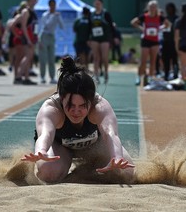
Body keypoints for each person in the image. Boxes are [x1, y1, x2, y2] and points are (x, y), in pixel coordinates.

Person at [21, 56, 135, 184]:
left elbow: (111, 134)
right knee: (48, 173)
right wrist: (41, 150)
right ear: (61, 98)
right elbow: (45, 134)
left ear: (91, 101)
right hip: (60, 147)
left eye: (82, 106)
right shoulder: (51, 109)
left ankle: (88, 169)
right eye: (70, 105)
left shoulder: (100, 107)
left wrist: (117, 157)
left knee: (125, 172)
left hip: (93, 145)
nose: (76, 111)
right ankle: (63, 165)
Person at [131, 0, 169, 86]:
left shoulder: (160, 17)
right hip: (146, 40)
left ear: (156, 8)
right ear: (148, 7)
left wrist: (160, 28)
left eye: (154, 7)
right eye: (151, 6)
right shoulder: (144, 16)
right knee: (143, 61)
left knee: (153, 61)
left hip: (155, 41)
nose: (152, 8)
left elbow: (167, 24)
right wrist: (142, 28)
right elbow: (133, 22)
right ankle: (139, 77)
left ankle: (151, 77)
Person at [90, 0, 117, 84]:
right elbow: (88, 27)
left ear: (102, 4)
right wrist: (88, 38)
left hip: (105, 38)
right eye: (96, 3)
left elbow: (112, 26)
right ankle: (96, 75)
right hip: (95, 38)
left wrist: (115, 37)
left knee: (104, 57)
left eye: (99, 4)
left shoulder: (106, 14)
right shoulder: (92, 14)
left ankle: (106, 73)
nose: (97, 5)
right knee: (96, 58)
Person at [38, 0, 63, 84]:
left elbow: (62, 26)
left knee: (51, 58)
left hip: (52, 36)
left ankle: (52, 77)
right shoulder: (45, 15)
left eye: (54, 5)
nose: (53, 7)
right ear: (49, 5)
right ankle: (42, 77)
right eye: (51, 5)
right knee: (43, 58)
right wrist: (53, 16)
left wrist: (58, 17)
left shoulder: (57, 15)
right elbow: (46, 26)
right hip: (44, 36)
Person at [11, 1, 37, 85]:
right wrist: (24, 37)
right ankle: (19, 76)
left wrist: (17, 34)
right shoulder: (25, 13)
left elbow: (13, 25)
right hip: (26, 36)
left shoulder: (21, 15)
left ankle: (24, 77)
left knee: (22, 58)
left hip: (23, 36)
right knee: (27, 56)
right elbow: (17, 26)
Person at [162, 2, 179, 81]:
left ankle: (175, 74)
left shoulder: (176, 18)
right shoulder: (164, 18)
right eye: (167, 8)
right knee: (166, 59)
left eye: (170, 8)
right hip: (165, 41)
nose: (168, 10)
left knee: (174, 59)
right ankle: (166, 74)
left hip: (173, 41)